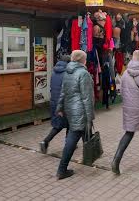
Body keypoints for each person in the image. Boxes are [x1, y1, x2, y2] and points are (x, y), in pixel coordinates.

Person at [55, 50, 95, 180]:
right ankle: (62, 169)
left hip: (71, 109)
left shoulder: (68, 72)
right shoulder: (83, 73)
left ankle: (89, 158)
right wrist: (90, 116)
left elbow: (62, 92)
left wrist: (60, 107)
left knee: (85, 134)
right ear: (83, 60)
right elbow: (87, 98)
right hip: (81, 111)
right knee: (73, 138)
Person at [39, 55, 71, 154]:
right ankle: (47, 141)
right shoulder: (67, 73)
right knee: (66, 124)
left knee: (59, 124)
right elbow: (66, 90)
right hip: (63, 103)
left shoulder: (54, 72)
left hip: (54, 102)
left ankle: (46, 142)